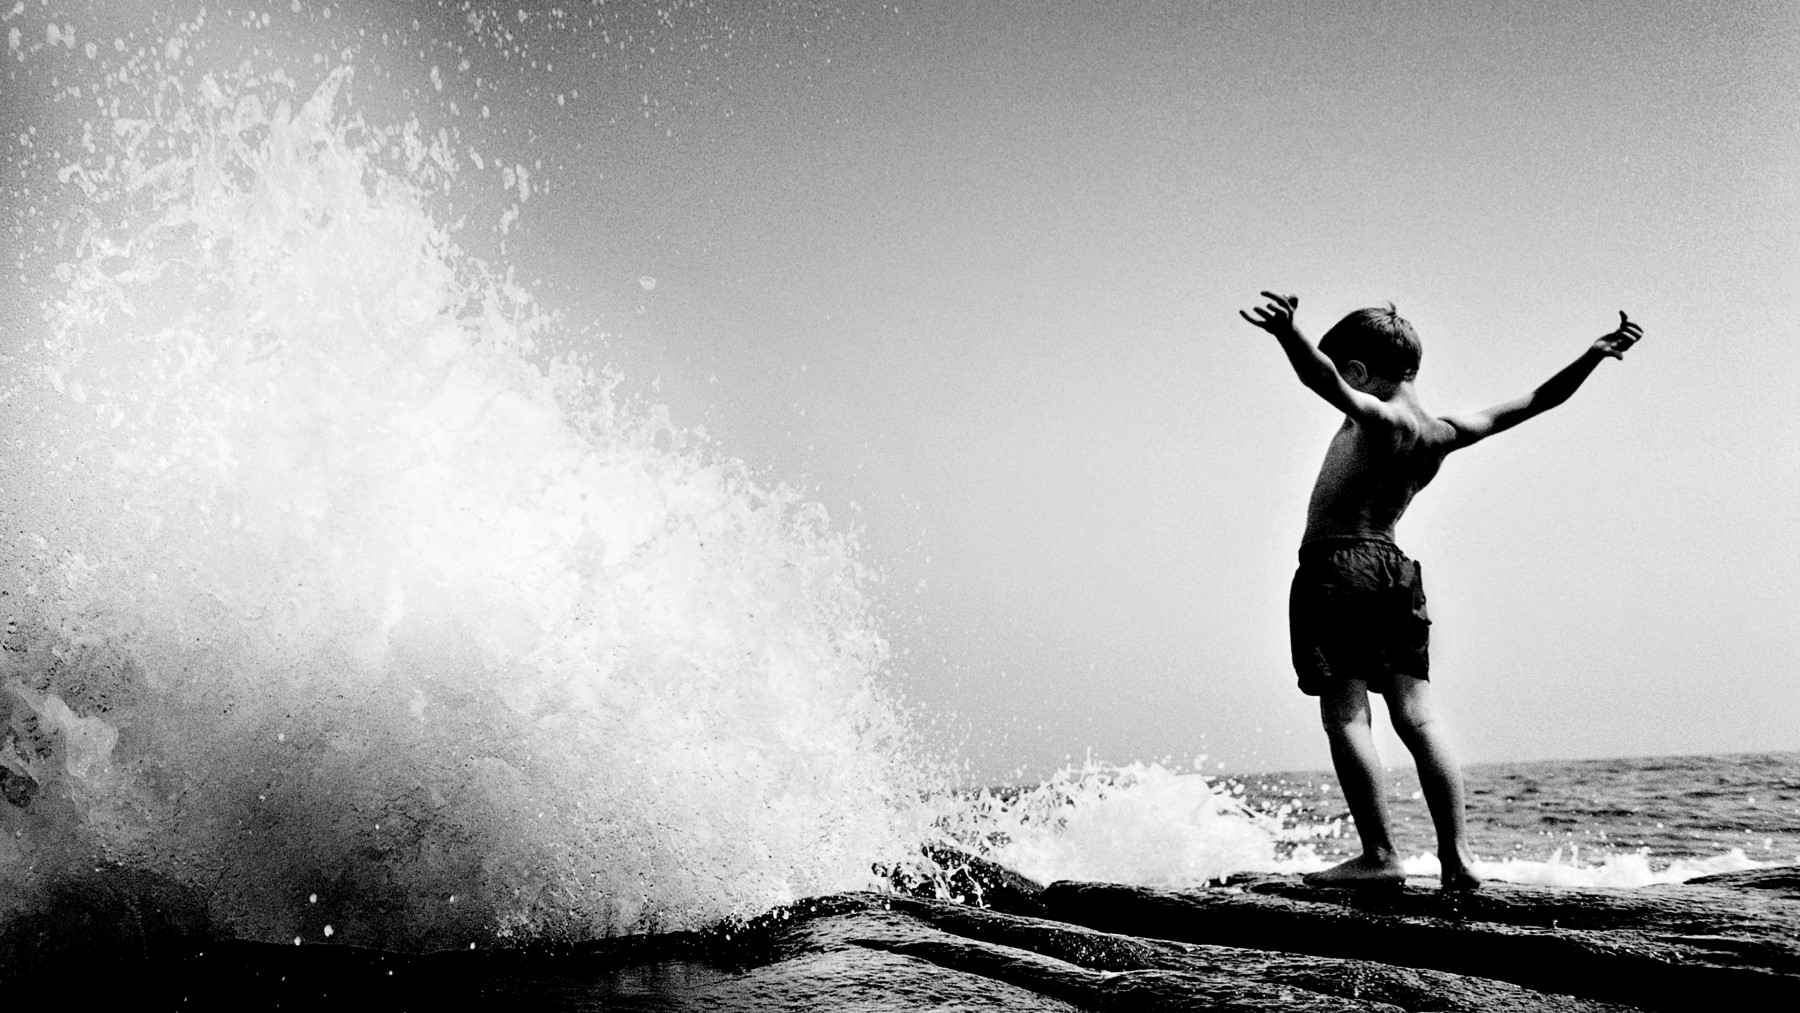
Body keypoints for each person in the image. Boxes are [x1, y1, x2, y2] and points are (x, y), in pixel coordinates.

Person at [1239, 292, 1643, 891]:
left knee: (1347, 716)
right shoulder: (1441, 433)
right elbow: (1537, 400)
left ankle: (1378, 856)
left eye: (1345, 377)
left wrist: (1287, 333)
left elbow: (1315, 376)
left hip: (1338, 567)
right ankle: (1458, 859)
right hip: (1397, 572)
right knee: (1419, 719)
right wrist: (1593, 355)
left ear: (1357, 372)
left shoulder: (1377, 419)